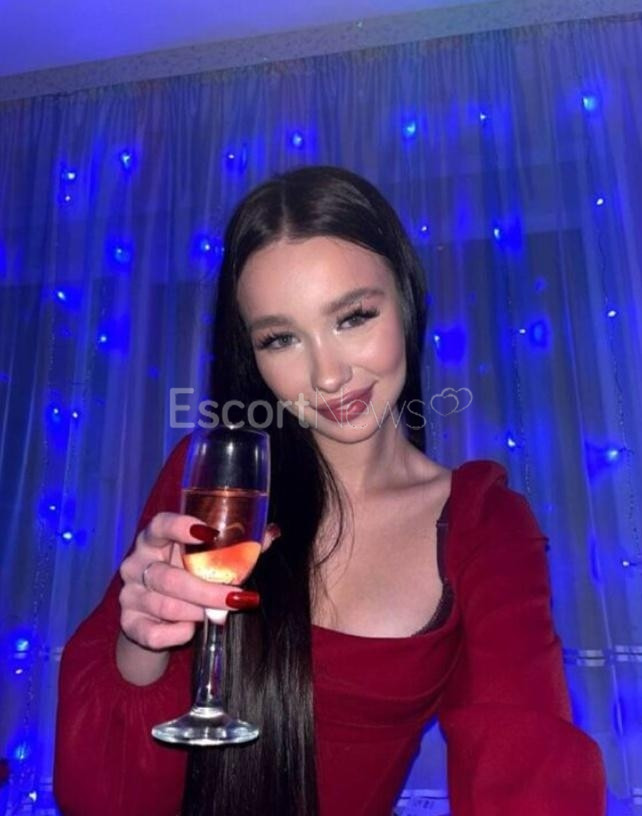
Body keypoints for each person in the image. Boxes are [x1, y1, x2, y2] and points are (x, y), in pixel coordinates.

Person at [54, 165, 607, 816]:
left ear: (406, 298)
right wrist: (142, 644)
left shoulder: (482, 524)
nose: (327, 374)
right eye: (281, 338)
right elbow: (99, 796)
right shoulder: (218, 486)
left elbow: (528, 760)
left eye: (353, 317)